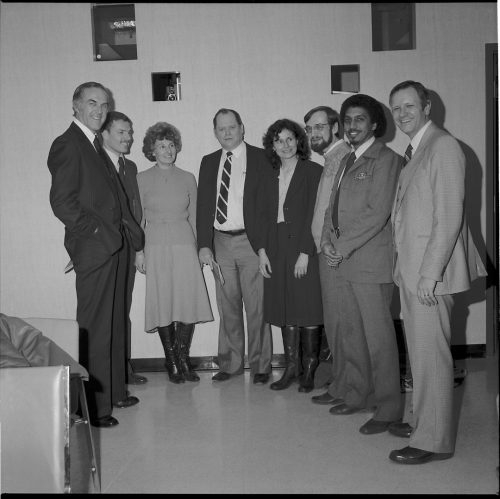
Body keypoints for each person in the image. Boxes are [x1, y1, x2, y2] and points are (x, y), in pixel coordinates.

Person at [388, 80, 487, 464]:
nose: (402, 114)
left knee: (432, 357)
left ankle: (433, 441)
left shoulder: (443, 147)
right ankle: (424, 422)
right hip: (413, 271)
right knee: (421, 354)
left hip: (429, 274)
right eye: (396, 108)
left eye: (409, 105)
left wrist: (429, 274)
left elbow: (448, 218)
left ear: (427, 106)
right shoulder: (417, 150)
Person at [47, 82, 144, 427]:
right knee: (95, 328)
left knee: (115, 322)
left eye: (104, 105)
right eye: (92, 103)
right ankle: (90, 407)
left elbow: (114, 199)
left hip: (115, 246)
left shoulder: (95, 145)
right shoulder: (68, 144)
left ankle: (114, 390)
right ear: (75, 106)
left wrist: (129, 237)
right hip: (98, 247)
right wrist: (94, 236)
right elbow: (62, 202)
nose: (99, 110)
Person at [319, 94, 403, 434]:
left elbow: (377, 214)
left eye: (359, 119)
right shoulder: (344, 160)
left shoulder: (386, 158)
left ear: (374, 124)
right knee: (352, 333)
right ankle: (359, 394)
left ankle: (388, 408)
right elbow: (331, 209)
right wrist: (326, 239)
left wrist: (339, 245)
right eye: (348, 119)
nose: (352, 125)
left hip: (370, 263)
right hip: (344, 259)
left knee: (379, 339)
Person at [196, 108, 272, 384]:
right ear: (215, 132)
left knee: (257, 307)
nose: (226, 133)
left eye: (231, 127)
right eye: (221, 129)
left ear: (242, 128)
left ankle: (261, 365)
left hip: (251, 243)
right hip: (220, 243)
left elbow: (268, 205)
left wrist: (265, 246)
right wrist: (204, 245)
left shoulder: (262, 158)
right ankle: (230, 364)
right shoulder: (208, 162)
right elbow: (204, 206)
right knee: (227, 306)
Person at [136, 122, 213, 384]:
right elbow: (139, 220)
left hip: (184, 242)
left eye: (170, 145)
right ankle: (171, 361)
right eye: (161, 146)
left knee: (186, 300)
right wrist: (139, 252)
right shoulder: (142, 178)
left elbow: (195, 218)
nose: (167, 150)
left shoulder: (188, 177)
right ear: (152, 150)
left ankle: (184, 359)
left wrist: (200, 249)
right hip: (155, 243)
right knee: (164, 301)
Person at [256, 118, 323, 392]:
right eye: (278, 140)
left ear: (299, 141)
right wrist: (261, 250)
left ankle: (309, 370)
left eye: (289, 139)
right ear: (271, 145)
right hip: (275, 247)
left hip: (304, 246)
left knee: (307, 308)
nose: (284, 145)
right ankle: (291, 368)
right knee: (284, 308)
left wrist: (306, 252)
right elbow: (260, 215)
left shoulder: (313, 171)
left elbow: (316, 215)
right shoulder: (267, 174)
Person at [304, 105, 351, 395]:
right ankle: (343, 381)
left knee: (341, 323)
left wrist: (331, 246)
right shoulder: (330, 158)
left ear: (334, 127)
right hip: (325, 251)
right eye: (309, 128)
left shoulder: (344, 157)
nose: (313, 133)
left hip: (335, 252)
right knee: (335, 322)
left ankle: (346, 384)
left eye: (319, 126)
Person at [101, 111, 148, 386]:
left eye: (129, 132)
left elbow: (135, 210)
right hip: (104, 248)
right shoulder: (96, 164)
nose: (128, 137)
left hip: (128, 247)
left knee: (122, 311)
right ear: (104, 134)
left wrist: (139, 248)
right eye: (121, 132)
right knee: (105, 313)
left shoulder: (130, 167)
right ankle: (106, 375)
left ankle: (122, 371)